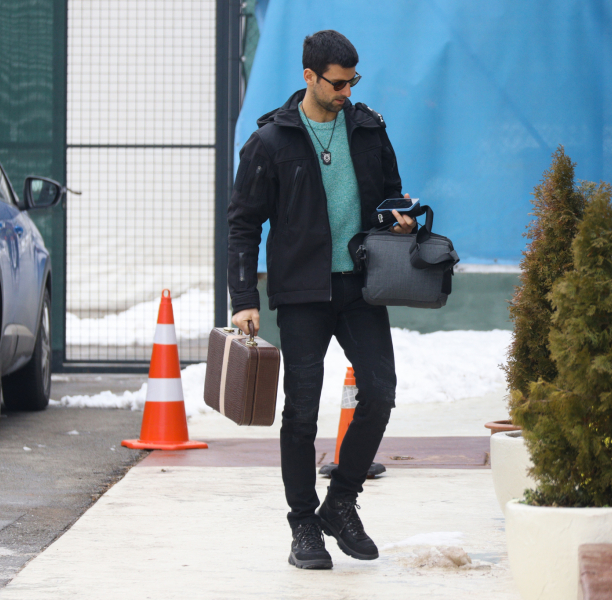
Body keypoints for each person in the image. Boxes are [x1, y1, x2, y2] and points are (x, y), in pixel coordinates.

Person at [227, 29, 414, 570]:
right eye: (337, 83)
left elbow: (390, 195)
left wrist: (398, 218)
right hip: (302, 293)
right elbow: (243, 224)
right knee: (302, 412)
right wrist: (244, 297)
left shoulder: (368, 128)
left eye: (353, 81)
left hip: (360, 287)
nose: (347, 92)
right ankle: (303, 524)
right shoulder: (270, 142)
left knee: (380, 392)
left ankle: (341, 502)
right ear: (309, 77)